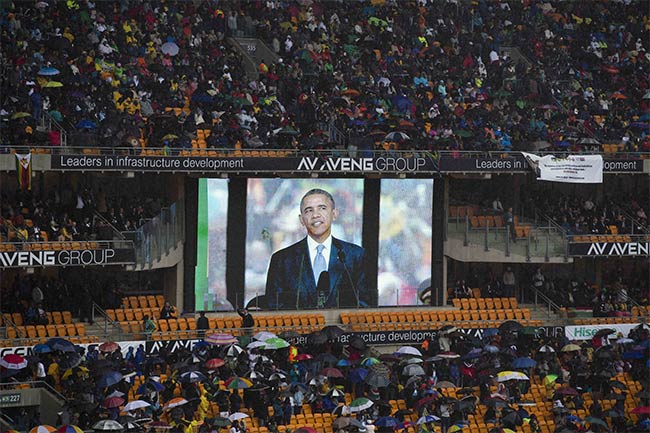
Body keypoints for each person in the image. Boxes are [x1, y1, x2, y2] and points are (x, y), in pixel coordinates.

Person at [265, 188, 374, 309]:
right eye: (309, 210)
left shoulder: (355, 256)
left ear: (334, 214)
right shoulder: (282, 260)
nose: (315, 215)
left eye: (322, 208)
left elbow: (364, 305)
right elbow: (274, 307)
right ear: (301, 220)